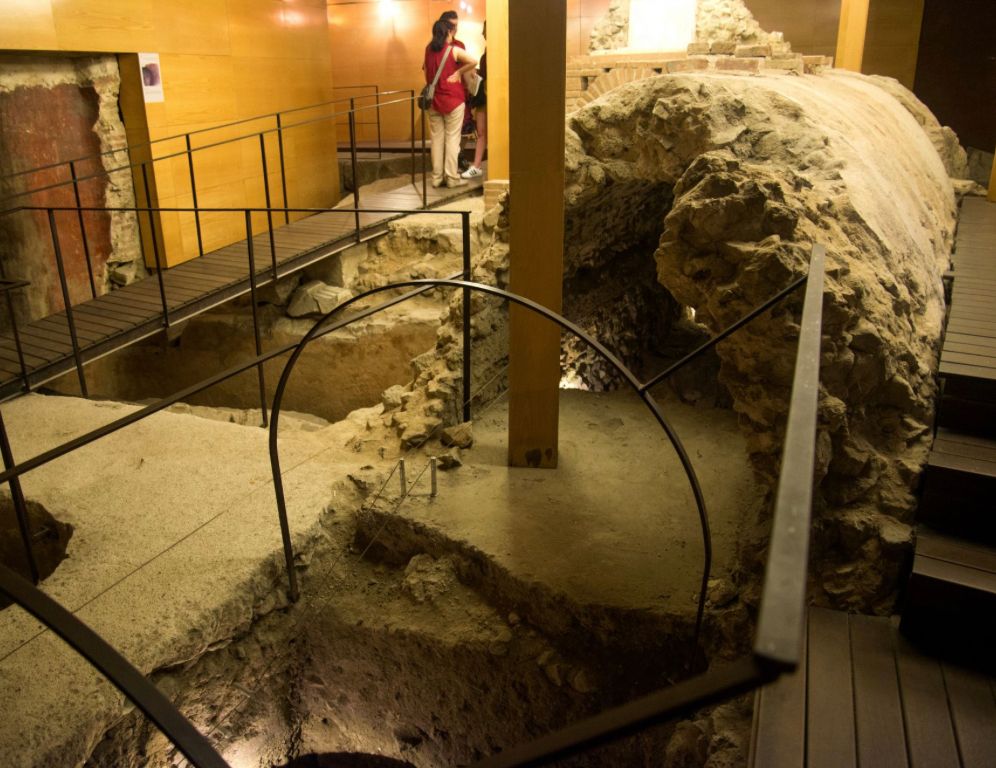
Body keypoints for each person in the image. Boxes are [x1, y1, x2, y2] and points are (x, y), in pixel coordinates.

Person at [424, 19, 477, 188]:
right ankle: (452, 178)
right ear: (448, 32)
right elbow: (473, 61)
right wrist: (459, 72)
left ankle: (437, 177)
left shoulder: (428, 50)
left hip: (434, 102)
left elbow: (425, 70)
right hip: (453, 101)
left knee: (436, 140)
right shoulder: (453, 50)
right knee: (452, 140)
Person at [461, 20, 486, 179]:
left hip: (493, 96)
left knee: (485, 132)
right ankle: (476, 166)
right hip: (484, 96)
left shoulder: (494, 53)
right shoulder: (486, 54)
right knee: (482, 131)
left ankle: (476, 165)